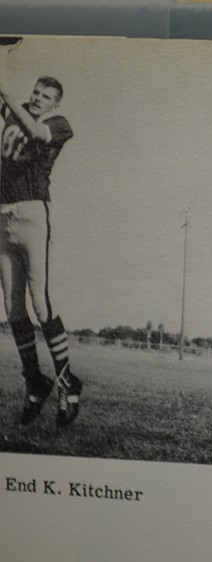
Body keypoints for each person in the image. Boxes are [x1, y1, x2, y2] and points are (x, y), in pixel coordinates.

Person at [0, 75, 81, 426]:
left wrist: (5, 89)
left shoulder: (57, 124)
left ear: (55, 103)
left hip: (33, 213)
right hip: (3, 214)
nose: (37, 98)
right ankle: (35, 380)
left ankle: (66, 380)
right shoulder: (13, 116)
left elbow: (35, 133)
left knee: (41, 304)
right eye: (34, 92)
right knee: (13, 308)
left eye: (45, 96)